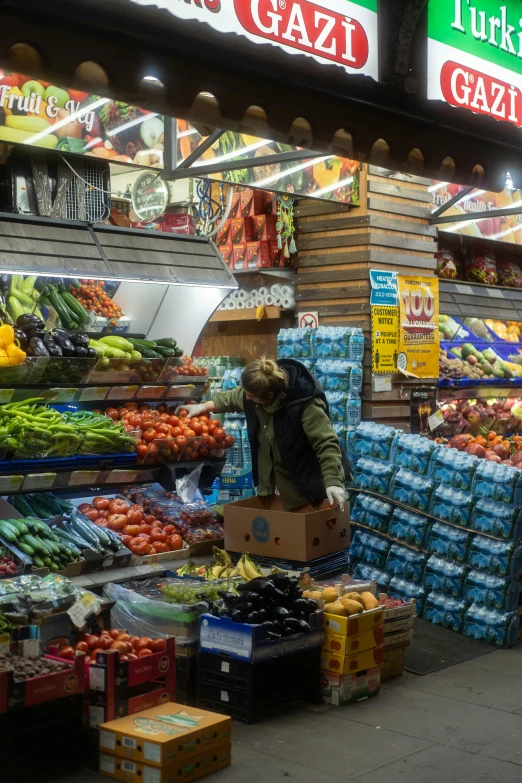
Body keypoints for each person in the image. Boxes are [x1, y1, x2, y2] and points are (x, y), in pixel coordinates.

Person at [181, 357, 349, 510]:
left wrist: (333, 480)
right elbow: (233, 397)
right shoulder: (257, 392)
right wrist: (202, 407)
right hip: (273, 488)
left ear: (268, 395)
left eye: (251, 396)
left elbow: (326, 442)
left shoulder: (305, 404)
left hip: (305, 488)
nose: (247, 398)